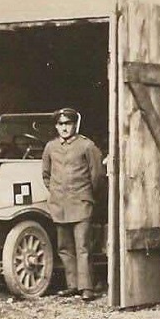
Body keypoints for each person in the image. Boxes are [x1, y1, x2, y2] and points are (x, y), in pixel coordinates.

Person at [41, 107, 105, 301]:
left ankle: (87, 287)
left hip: (81, 203)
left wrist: (87, 195)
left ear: (75, 125)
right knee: (64, 247)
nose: (64, 128)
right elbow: (46, 175)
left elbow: (97, 176)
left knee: (83, 246)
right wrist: (56, 192)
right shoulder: (50, 147)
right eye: (60, 124)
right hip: (59, 205)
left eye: (68, 123)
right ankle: (72, 285)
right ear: (56, 126)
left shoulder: (87, 146)